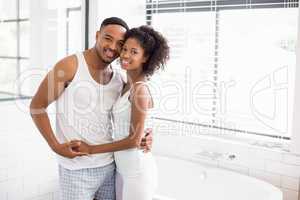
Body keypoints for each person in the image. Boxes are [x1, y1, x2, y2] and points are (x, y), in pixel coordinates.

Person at [29, 17, 153, 200]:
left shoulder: (118, 79)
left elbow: (131, 114)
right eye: (107, 38)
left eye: (120, 44)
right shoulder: (70, 66)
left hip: (110, 166)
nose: (112, 47)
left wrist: (146, 134)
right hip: (76, 168)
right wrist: (55, 146)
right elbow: (37, 106)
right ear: (97, 35)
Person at [71, 25, 170, 200]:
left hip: (137, 172)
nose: (125, 55)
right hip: (122, 169)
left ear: (145, 57)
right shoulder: (125, 84)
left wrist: (91, 149)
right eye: (124, 49)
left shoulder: (140, 89)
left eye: (134, 52)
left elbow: (134, 140)